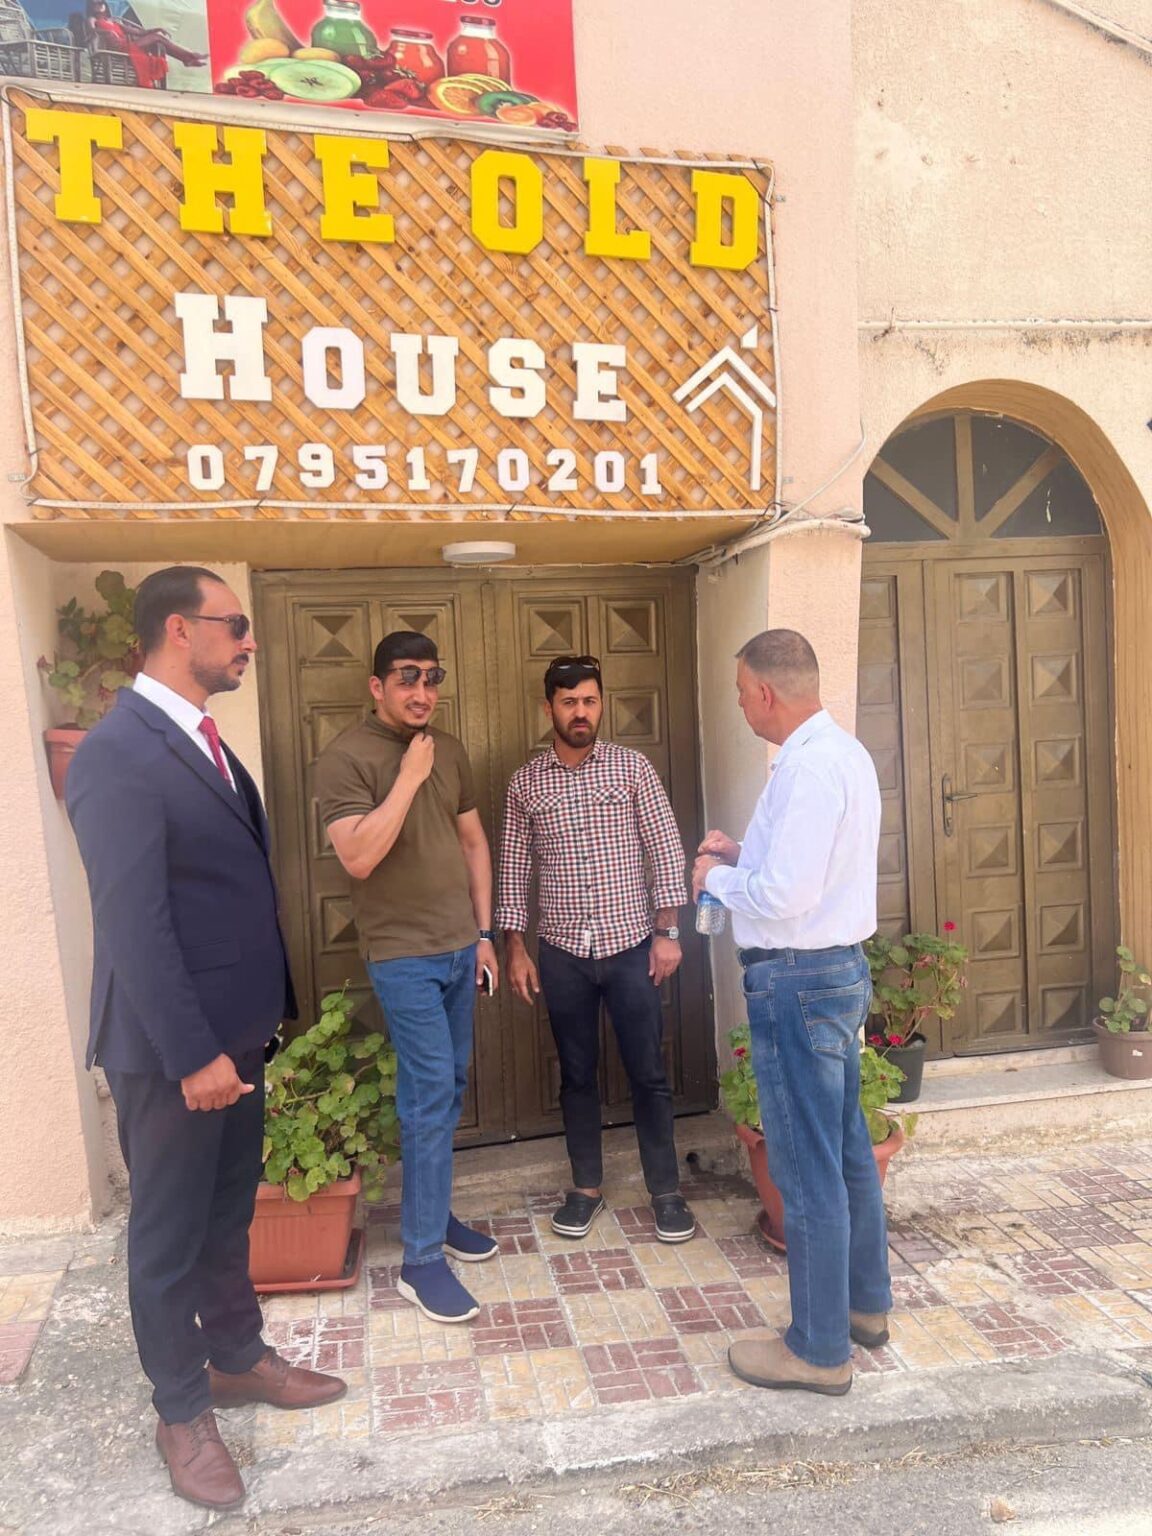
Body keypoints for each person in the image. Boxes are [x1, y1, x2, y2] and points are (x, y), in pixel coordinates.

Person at [66, 567, 345, 1515]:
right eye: (236, 625)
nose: (250, 641)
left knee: (228, 1221)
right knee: (168, 1237)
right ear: (180, 630)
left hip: (235, 1040)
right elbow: (133, 924)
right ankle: (180, 1411)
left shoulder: (204, 744)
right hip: (172, 1053)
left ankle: (236, 1357)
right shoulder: (116, 753)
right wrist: (193, 1054)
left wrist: (244, 1033)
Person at [691, 629, 890, 1396]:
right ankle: (863, 1308)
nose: (741, 705)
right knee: (845, 1150)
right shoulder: (842, 754)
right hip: (833, 973)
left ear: (768, 692)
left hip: (798, 981)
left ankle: (818, 1349)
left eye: (742, 692)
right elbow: (808, 870)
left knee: (806, 1168)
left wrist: (714, 880)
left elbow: (785, 895)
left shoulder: (807, 768)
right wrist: (743, 854)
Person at [315, 632, 500, 1325]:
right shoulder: (345, 758)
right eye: (406, 678)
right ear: (377, 687)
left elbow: (474, 841)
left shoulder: (448, 747)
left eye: (432, 677)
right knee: (427, 1097)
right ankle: (420, 1264)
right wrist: (410, 778)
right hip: (401, 955)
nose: (422, 692)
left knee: (448, 1087)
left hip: (458, 947)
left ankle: (433, 1214)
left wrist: (484, 935)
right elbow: (358, 857)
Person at [497, 654, 695, 1243]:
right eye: (568, 702)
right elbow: (513, 868)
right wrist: (515, 947)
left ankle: (666, 1192)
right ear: (549, 708)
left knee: (649, 1073)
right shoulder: (526, 783)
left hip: (632, 945)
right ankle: (585, 1189)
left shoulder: (632, 769)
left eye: (589, 700)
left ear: (600, 703)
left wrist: (668, 932)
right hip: (562, 952)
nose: (580, 712)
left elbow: (665, 847)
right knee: (576, 1075)